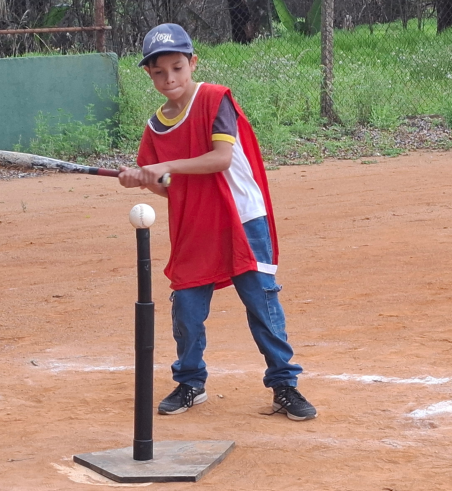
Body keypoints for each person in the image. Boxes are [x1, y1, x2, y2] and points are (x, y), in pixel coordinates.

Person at [118, 23, 317, 421]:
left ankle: (284, 384)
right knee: (187, 310)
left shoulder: (214, 99)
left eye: (177, 67)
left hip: (242, 218)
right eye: (159, 72)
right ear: (149, 75)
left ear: (193, 63)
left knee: (261, 303)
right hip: (195, 225)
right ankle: (190, 381)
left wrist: (166, 166)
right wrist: (143, 179)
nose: (169, 78)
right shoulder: (155, 126)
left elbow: (220, 159)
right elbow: (173, 189)